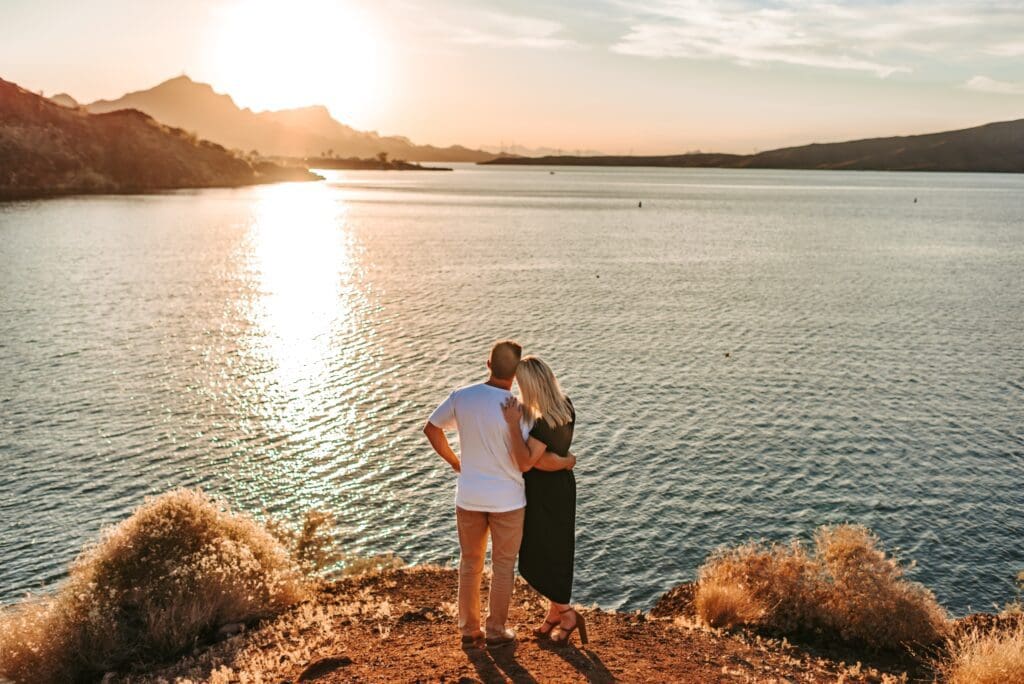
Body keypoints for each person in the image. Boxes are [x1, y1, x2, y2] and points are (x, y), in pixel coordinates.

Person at [423, 340, 571, 649]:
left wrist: (454, 462)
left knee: (470, 563)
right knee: (503, 566)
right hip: (508, 501)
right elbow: (534, 460)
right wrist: (567, 462)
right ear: (516, 374)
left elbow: (432, 429)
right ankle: (496, 630)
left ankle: (468, 629)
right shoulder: (522, 411)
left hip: (469, 497)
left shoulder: (461, 397)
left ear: (488, 364)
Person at [500, 356, 586, 646]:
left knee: (536, 553)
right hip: (561, 489)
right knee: (557, 551)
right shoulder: (565, 405)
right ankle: (554, 614)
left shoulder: (541, 421)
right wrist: (564, 461)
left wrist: (512, 425)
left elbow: (527, 462)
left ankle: (567, 613)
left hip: (543, 493)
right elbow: (549, 458)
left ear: (530, 384)